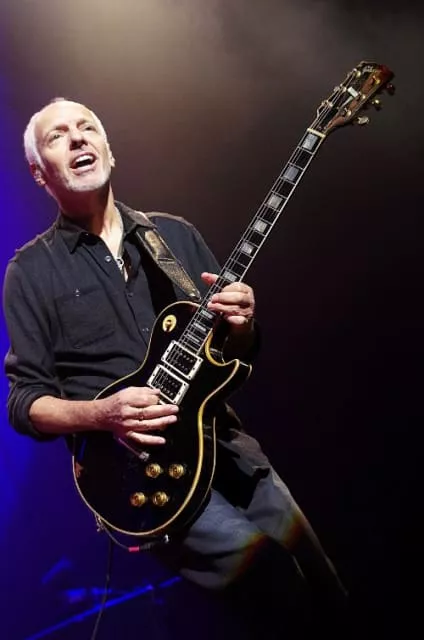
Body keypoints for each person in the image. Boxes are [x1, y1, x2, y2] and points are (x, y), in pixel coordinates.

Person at [3, 98, 348, 638]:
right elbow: (25, 403)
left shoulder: (174, 236)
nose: (78, 138)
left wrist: (241, 324)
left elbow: (237, 354)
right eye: (58, 136)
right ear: (39, 173)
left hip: (230, 451)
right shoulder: (29, 271)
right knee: (273, 582)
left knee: (326, 589)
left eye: (87, 127)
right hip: (147, 477)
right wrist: (103, 414)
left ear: (109, 148)